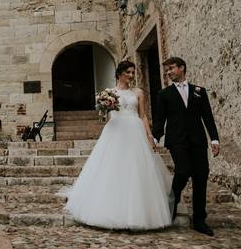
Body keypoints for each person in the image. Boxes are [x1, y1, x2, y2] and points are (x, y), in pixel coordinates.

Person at [64, 61, 173, 230]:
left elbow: (143, 116)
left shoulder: (138, 92)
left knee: (137, 169)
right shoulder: (109, 93)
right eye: (128, 72)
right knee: (112, 168)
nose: (131, 75)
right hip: (116, 131)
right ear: (120, 73)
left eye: (132, 72)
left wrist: (150, 135)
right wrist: (104, 108)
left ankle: (140, 214)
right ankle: (108, 212)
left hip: (135, 131)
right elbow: (106, 117)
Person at [153, 56, 220, 236]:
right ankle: (171, 203)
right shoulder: (164, 94)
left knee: (201, 176)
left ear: (182, 68)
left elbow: (208, 117)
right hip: (176, 140)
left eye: (172, 68)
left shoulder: (199, 91)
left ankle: (199, 220)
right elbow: (160, 119)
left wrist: (214, 139)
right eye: (167, 70)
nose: (169, 72)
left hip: (198, 140)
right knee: (183, 170)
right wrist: (155, 138)